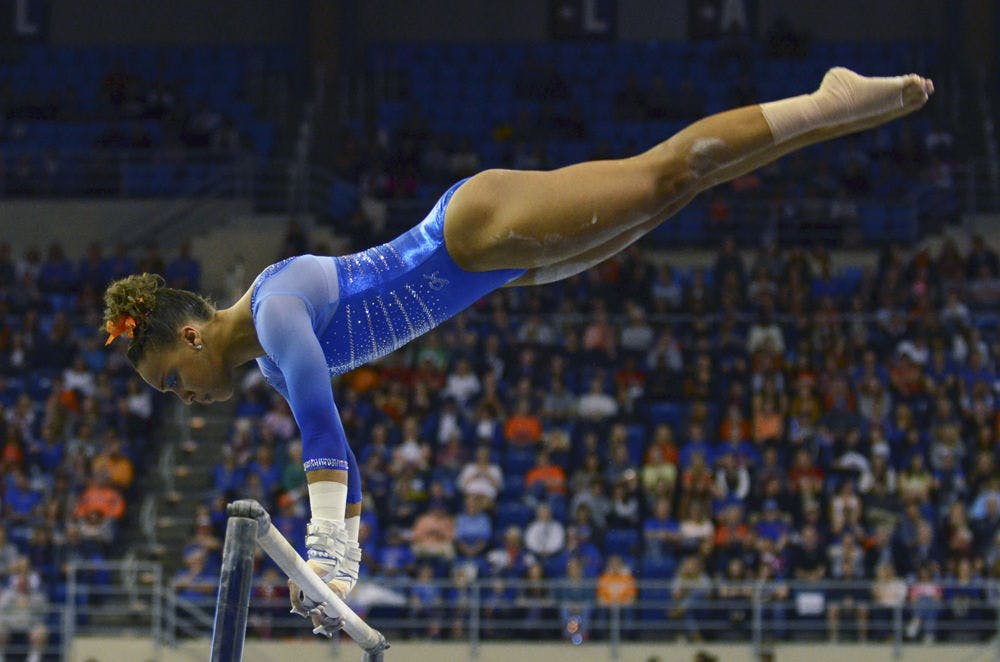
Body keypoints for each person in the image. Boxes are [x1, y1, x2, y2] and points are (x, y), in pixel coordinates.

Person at [101, 68, 934, 623]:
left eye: (175, 382)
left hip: (473, 230)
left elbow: (323, 430)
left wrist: (324, 554)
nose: (187, 397)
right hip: (501, 267)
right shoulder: (272, 356)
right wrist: (335, 578)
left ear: (190, 333)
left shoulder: (278, 307)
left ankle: (829, 102)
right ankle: (830, 114)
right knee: (680, 190)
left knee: (670, 172)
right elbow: (342, 471)